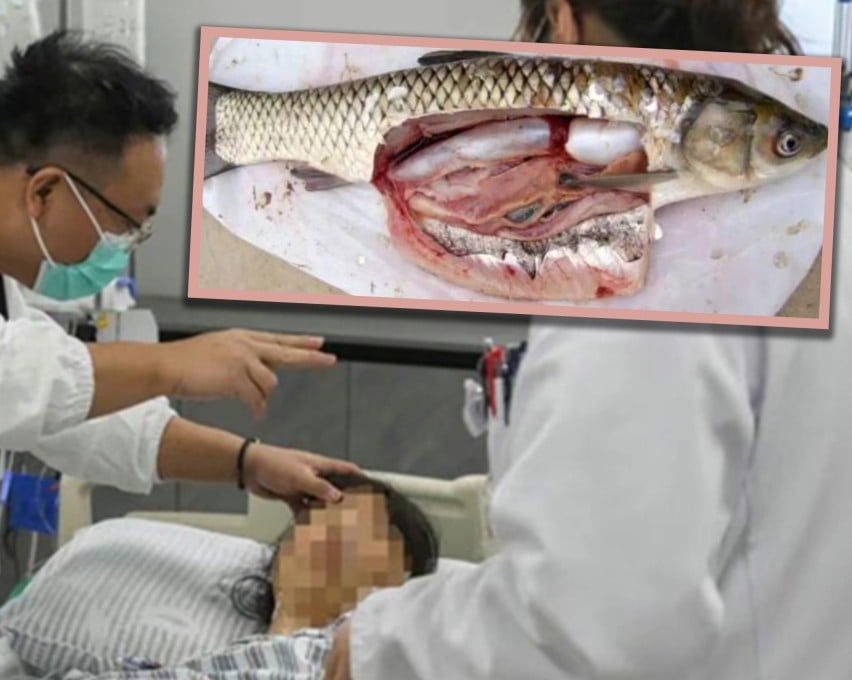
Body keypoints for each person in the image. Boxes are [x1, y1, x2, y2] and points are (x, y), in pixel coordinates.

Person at [324, 1, 852, 679]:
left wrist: (373, 649)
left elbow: (596, 616)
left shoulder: (658, 254)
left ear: (561, 22)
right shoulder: (819, 204)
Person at [0, 29, 363, 570]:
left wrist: (248, 463)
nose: (123, 247)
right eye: (126, 224)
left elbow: (72, 416)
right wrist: (172, 366)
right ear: (44, 192)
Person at [0, 472, 440, 679]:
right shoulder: (217, 660)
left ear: (398, 583)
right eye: (319, 520)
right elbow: (9, 644)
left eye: (364, 531)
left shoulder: (351, 655)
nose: (329, 532)